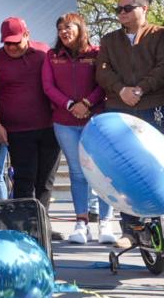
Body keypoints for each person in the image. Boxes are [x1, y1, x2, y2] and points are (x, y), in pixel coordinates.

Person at [43, 13, 114, 244]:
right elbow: (48, 86)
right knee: (77, 172)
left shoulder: (96, 54)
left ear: (81, 27)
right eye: (60, 28)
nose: (64, 31)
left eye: (69, 26)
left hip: (95, 120)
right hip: (65, 122)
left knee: (102, 170)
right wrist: (70, 105)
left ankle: (105, 222)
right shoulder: (51, 56)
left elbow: (103, 83)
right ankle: (81, 222)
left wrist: (86, 104)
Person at [0, 17, 60, 207]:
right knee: (23, 180)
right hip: (16, 131)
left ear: (27, 35)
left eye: (15, 42)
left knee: (45, 181)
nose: (11, 47)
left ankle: (43, 225)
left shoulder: (43, 52)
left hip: (49, 127)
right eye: (7, 43)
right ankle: (24, 227)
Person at [96, 0, 164, 135]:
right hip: (118, 109)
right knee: (122, 157)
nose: (122, 12)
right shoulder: (108, 40)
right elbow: (102, 71)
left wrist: (139, 89)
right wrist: (121, 89)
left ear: (144, 9)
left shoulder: (161, 34)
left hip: (157, 107)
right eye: (119, 9)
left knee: (161, 155)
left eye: (128, 8)